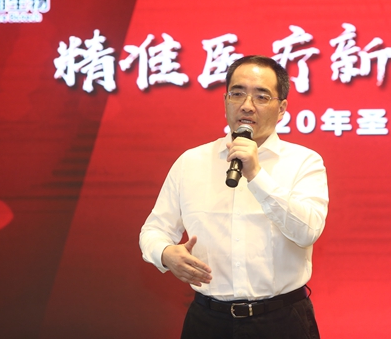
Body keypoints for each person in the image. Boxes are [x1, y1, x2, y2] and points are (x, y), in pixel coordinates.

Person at [139, 55, 329, 339]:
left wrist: (256, 175)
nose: (247, 105)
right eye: (237, 93)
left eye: (261, 96)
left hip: (282, 321)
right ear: (225, 101)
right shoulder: (191, 162)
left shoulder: (304, 162)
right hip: (207, 321)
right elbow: (154, 229)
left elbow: (307, 232)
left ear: (281, 109)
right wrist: (165, 254)